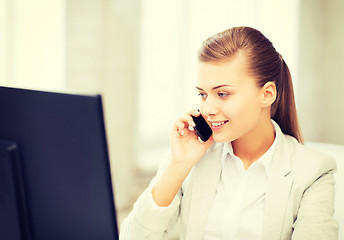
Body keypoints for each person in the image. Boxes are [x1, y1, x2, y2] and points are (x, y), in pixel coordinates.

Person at [119, 26, 338, 240]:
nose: (207, 110)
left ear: (267, 94)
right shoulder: (191, 158)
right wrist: (178, 167)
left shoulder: (313, 172)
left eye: (222, 94)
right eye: (203, 95)